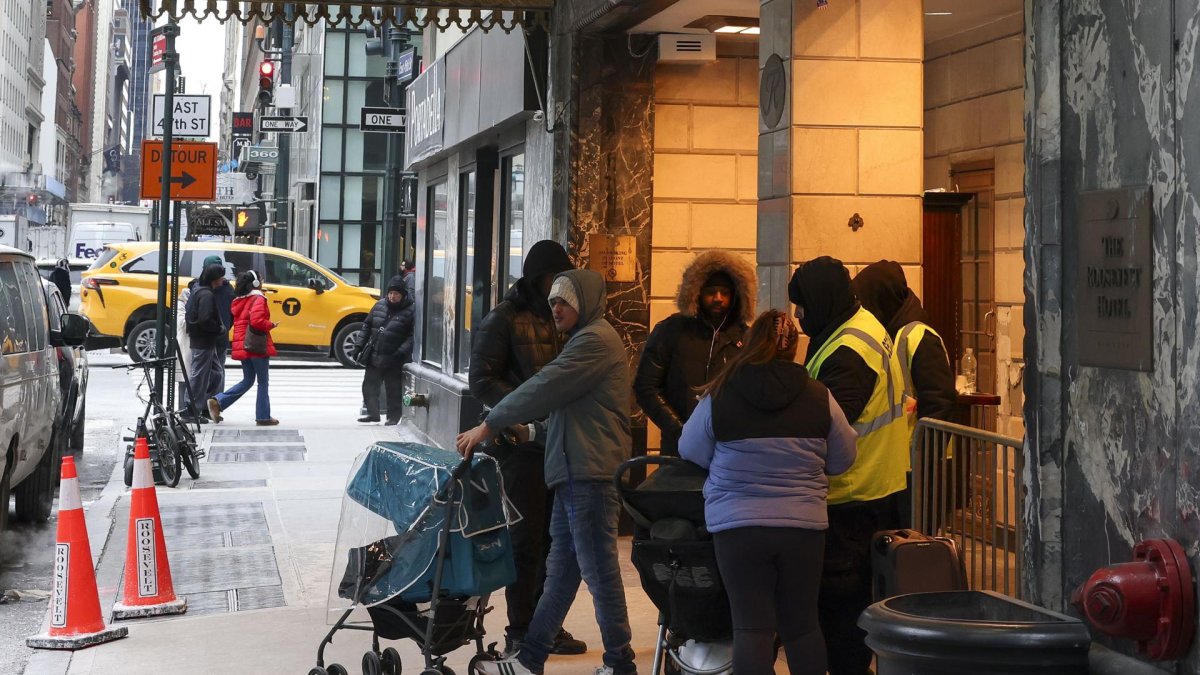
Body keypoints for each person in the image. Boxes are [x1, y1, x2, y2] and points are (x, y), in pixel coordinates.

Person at [457, 269, 636, 675]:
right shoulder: (584, 341)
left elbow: (544, 386)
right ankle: (530, 658)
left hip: (588, 475)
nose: (556, 308)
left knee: (600, 574)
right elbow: (570, 413)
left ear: (585, 303)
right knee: (560, 574)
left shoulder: (594, 341)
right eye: (552, 300)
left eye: (565, 301)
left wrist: (492, 423)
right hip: (575, 471)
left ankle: (620, 664)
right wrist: (530, 430)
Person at [679, 310, 857, 675]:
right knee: (802, 626)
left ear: (750, 342)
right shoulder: (818, 396)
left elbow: (690, 448)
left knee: (752, 627)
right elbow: (844, 457)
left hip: (737, 528)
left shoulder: (722, 393)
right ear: (793, 348)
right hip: (803, 529)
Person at [788, 256, 909, 675]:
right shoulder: (862, 326)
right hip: (878, 486)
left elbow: (827, 422)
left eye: (801, 306)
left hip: (851, 497)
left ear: (822, 300)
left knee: (841, 617)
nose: (799, 316)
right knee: (856, 609)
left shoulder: (847, 352)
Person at [467, 240, 585, 657]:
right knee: (525, 540)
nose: (558, 288)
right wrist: (525, 407)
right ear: (536, 279)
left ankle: (546, 625)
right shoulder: (505, 317)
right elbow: (480, 381)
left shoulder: (570, 319)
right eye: (553, 279)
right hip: (519, 447)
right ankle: (521, 630)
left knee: (558, 542)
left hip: (560, 443)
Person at [853, 260, 957, 528]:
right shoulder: (893, 333)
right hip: (903, 463)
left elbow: (939, 401)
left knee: (915, 546)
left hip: (922, 463)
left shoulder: (917, 335)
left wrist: (923, 453)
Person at [635, 250, 755, 456]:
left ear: (735, 296)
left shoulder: (748, 339)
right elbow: (646, 387)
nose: (718, 298)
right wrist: (681, 430)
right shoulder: (671, 331)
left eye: (725, 293)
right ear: (697, 292)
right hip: (678, 451)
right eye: (711, 291)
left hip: (728, 451)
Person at [852, 260, 956, 423]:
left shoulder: (919, 337)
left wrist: (922, 447)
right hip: (900, 446)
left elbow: (939, 403)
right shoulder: (886, 334)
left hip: (915, 446)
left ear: (880, 301)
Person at [207, 271, 279, 426]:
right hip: (256, 345)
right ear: (255, 283)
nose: (262, 281)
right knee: (263, 382)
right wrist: (271, 325)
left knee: (248, 380)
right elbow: (257, 321)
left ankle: (218, 401)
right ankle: (263, 416)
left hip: (242, 345)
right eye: (260, 279)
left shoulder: (239, 300)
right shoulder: (258, 298)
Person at [357, 275, 415, 425]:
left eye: (396, 294)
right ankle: (372, 413)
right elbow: (367, 325)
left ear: (403, 295)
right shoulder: (379, 305)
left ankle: (393, 417)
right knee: (369, 385)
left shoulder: (411, 310)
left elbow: (412, 336)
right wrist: (359, 345)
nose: (392, 296)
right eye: (390, 293)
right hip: (375, 354)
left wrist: (401, 352)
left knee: (393, 389)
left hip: (394, 358)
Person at [185, 263, 229, 418]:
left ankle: (204, 405)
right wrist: (218, 329)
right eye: (221, 276)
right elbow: (204, 320)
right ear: (214, 279)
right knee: (199, 375)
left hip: (205, 341)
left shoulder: (201, 291)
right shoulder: (206, 295)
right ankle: (191, 409)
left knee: (216, 372)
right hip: (203, 341)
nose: (223, 279)